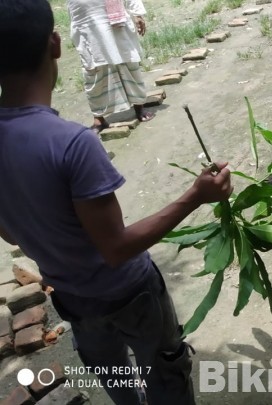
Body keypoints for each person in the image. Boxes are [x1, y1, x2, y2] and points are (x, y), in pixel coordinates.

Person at [0, 1, 233, 404]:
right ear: (55, 44)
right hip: (131, 293)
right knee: (165, 373)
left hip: (71, 297)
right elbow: (117, 248)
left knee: (116, 379)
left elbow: (8, 231)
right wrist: (197, 195)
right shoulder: (72, 143)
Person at [67, 0, 155, 133]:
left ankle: (139, 105)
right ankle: (98, 118)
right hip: (85, 19)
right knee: (93, 67)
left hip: (115, 19)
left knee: (126, 58)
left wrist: (137, 14)